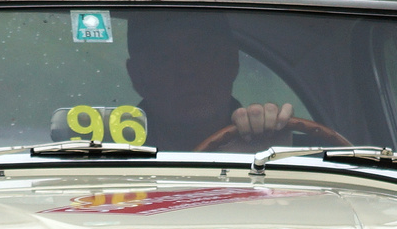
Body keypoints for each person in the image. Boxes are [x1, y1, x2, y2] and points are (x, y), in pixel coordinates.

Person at [124, 13, 297, 152]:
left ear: (231, 61)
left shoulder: (303, 152)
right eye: (163, 58)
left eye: (201, 52)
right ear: (137, 76)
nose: (186, 70)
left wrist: (274, 157)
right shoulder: (105, 155)